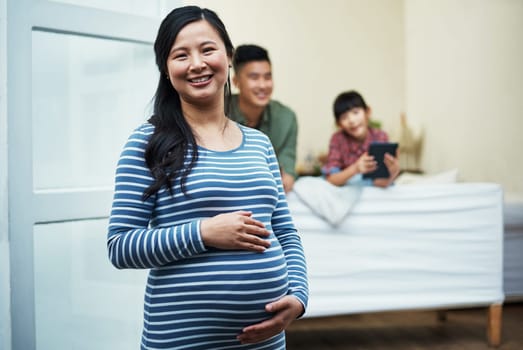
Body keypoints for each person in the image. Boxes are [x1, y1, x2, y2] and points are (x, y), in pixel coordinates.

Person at [106, 6, 308, 350]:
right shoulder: (147, 142)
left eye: (208, 49)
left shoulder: (259, 143)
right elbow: (121, 247)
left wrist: (299, 297)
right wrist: (205, 232)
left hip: (265, 343)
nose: (197, 63)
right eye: (181, 55)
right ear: (166, 70)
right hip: (181, 341)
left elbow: (285, 231)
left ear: (228, 58)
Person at [229, 44, 298, 193]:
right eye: (254, 77)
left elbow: (287, 170)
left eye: (268, 77)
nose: (263, 85)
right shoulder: (219, 111)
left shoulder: (286, 118)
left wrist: (286, 177)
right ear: (236, 82)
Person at [322, 90, 400, 188]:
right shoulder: (337, 139)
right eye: (344, 117)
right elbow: (331, 180)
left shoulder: (380, 136)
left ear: (367, 112)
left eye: (355, 112)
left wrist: (393, 172)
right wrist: (355, 169)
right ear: (339, 124)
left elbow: (380, 183)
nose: (351, 120)